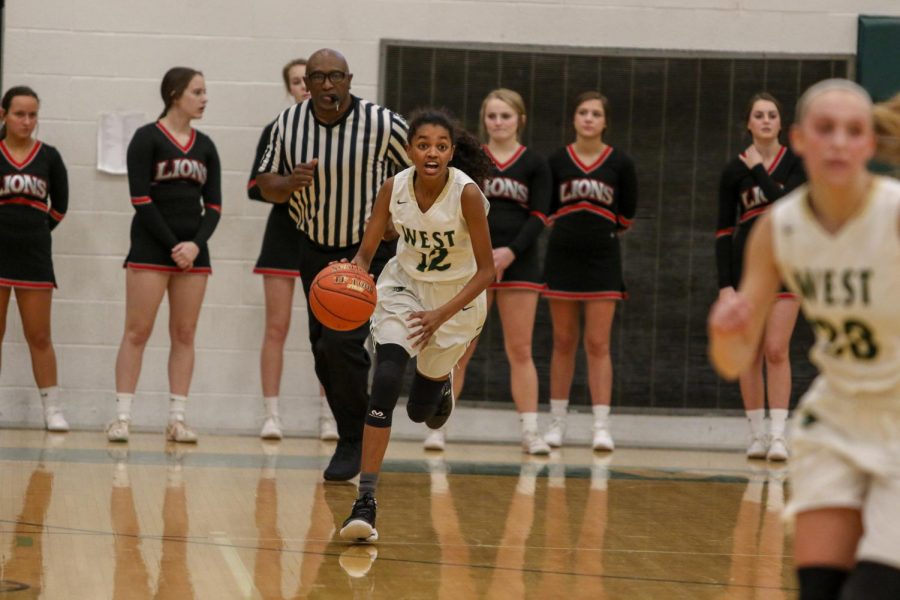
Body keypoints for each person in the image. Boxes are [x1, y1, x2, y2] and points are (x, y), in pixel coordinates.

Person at [709, 80, 900, 600]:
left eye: (853, 131)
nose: (839, 141)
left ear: (868, 145)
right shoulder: (779, 229)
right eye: (825, 129)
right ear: (800, 140)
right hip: (836, 419)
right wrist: (726, 332)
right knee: (818, 589)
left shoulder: (893, 214)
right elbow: (732, 361)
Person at [339, 108, 494, 543]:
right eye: (423, 144)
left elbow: (486, 273)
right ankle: (365, 501)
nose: (431, 152)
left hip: (455, 301)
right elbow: (366, 253)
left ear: (451, 152)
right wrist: (351, 275)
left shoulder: (466, 195)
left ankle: (439, 380)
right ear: (409, 150)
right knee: (385, 377)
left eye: (440, 146)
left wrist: (439, 317)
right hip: (404, 291)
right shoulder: (394, 187)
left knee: (421, 413)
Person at [256, 48, 410, 481]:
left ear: (349, 79)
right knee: (322, 350)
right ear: (306, 83)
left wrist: (402, 219)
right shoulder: (288, 124)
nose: (326, 85)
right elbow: (265, 182)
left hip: (368, 249)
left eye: (335, 76)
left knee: (343, 343)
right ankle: (354, 430)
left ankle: (355, 439)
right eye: (317, 77)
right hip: (316, 250)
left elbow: (423, 168)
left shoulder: (382, 124)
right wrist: (289, 182)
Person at [426, 89, 551, 455]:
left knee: (520, 349)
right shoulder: (470, 159)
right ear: (485, 120)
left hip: (519, 262)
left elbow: (540, 215)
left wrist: (510, 252)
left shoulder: (535, 164)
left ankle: (530, 432)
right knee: (459, 348)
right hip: (472, 264)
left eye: (506, 116)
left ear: (520, 120)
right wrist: (478, 255)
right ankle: (438, 428)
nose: (498, 123)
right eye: (493, 116)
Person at [107, 67, 222, 443]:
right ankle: (122, 417)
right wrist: (174, 245)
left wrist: (194, 246)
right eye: (198, 91)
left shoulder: (205, 146)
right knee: (137, 331)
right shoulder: (146, 138)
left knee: (185, 333)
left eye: (205, 92)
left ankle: (177, 418)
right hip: (151, 248)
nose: (204, 98)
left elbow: (216, 206)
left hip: (193, 253)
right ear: (175, 94)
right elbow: (140, 197)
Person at [247, 58, 338, 441]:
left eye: (311, 79)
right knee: (277, 327)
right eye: (298, 81)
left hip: (330, 235)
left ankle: (330, 416)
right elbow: (256, 187)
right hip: (285, 235)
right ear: (291, 88)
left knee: (331, 331)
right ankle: (272, 415)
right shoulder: (278, 129)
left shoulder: (343, 129)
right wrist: (289, 182)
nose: (306, 86)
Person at [540, 91, 637, 451]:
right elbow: (545, 210)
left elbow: (626, 215)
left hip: (603, 259)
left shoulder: (620, 164)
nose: (589, 118)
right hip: (562, 257)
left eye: (596, 113)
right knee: (563, 341)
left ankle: (600, 426)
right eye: (582, 112)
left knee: (598, 343)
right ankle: (557, 423)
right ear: (574, 119)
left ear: (605, 121)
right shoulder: (556, 161)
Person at [716, 92, 806, 461]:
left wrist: (758, 170)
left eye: (772, 115)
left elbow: (786, 205)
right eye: (759, 115)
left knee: (776, 348)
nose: (766, 120)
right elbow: (723, 231)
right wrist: (725, 285)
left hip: (786, 265)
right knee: (750, 352)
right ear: (749, 123)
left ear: (781, 124)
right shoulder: (732, 170)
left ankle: (779, 434)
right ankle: (756, 433)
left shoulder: (798, 162)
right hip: (747, 269)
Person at [0, 86, 69, 431]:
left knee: (39, 335)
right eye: (19, 114)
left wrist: (36, 232)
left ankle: (52, 409)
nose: (27, 121)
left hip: (34, 255)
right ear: (4, 115)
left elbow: (60, 207)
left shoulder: (50, 156)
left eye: (32, 115)